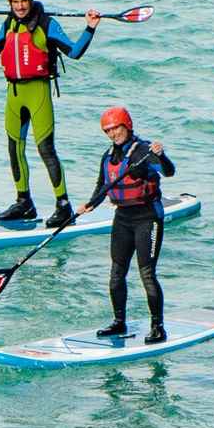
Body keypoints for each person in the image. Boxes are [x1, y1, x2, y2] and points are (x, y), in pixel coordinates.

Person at [0, 0, 101, 227]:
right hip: (14, 94)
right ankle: (24, 202)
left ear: (31, 0)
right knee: (14, 148)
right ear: (10, 3)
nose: (20, 6)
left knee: (45, 149)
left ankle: (63, 205)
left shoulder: (47, 24)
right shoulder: (9, 24)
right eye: (15, 2)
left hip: (38, 92)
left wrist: (90, 28)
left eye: (24, 1)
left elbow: (74, 52)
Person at [78, 106, 176, 345]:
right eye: (107, 131)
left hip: (147, 218)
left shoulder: (144, 150)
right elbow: (103, 186)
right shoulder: (108, 156)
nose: (112, 134)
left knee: (147, 274)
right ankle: (119, 322)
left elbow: (169, 172)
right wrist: (90, 204)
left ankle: (157, 328)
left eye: (116, 128)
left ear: (127, 126)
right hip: (122, 218)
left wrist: (162, 156)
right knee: (116, 273)